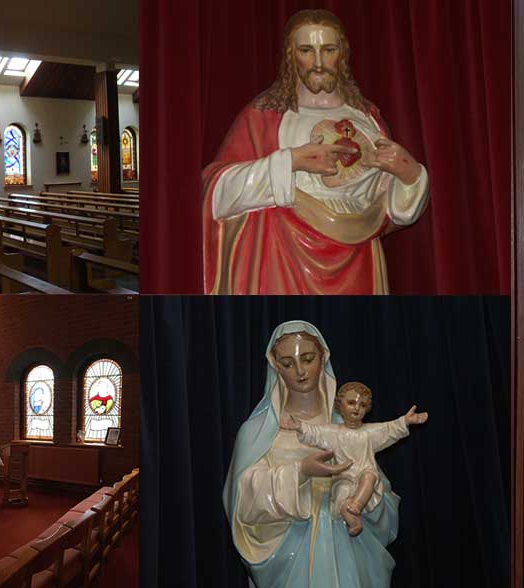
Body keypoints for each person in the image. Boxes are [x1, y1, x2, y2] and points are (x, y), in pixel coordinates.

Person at [202, 9, 430, 295]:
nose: (319, 63)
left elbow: (388, 209)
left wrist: (410, 176)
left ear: (343, 54)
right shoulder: (263, 116)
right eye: (307, 50)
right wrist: (291, 162)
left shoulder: (368, 117)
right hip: (282, 256)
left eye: (329, 49)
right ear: (290, 56)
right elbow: (217, 192)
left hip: (360, 260)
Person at [225, 321, 401, 587]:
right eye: (287, 362)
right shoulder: (256, 433)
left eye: (307, 359)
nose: (299, 371)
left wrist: (363, 499)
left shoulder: (347, 429)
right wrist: (300, 472)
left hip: (350, 560)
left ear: (323, 358)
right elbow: (241, 504)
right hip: (290, 561)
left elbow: (385, 510)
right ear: (275, 366)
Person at [280, 382, 427, 537]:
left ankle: (356, 506)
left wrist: (405, 421)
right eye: (351, 403)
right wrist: (299, 426)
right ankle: (352, 517)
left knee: (370, 477)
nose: (357, 408)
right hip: (343, 476)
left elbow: (389, 429)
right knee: (342, 495)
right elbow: (315, 433)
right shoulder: (333, 432)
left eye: (362, 405)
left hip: (365, 474)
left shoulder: (370, 432)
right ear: (339, 405)